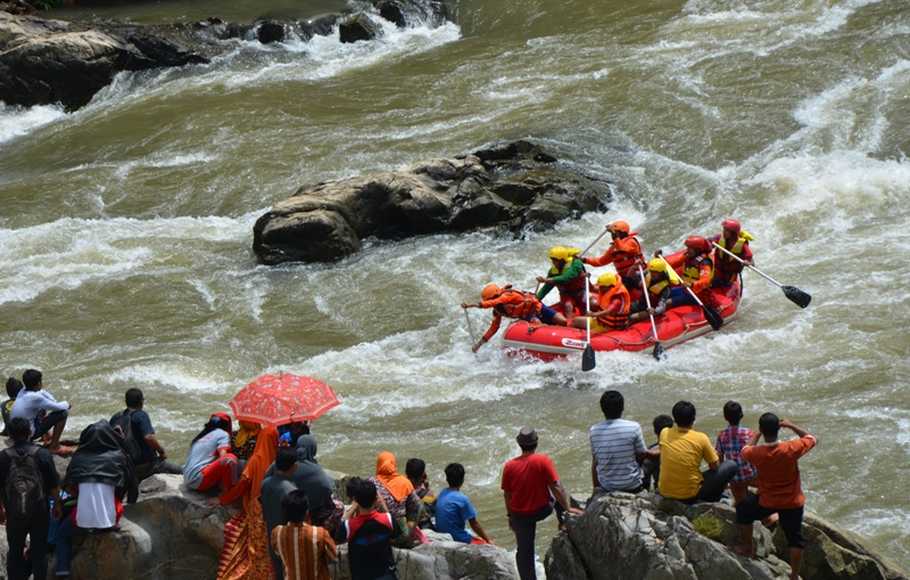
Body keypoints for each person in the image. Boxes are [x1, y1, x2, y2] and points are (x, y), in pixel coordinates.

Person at [736, 415, 817, 580]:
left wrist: (757, 434)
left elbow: (744, 451)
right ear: (779, 429)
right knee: (795, 539)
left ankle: (747, 548)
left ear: (762, 430)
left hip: (767, 501)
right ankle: (794, 575)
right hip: (792, 502)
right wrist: (791, 425)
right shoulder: (791, 448)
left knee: (743, 510)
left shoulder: (756, 453)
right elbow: (811, 438)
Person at [57, 420, 140, 577]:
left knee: (62, 535)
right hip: (110, 519)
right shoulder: (119, 457)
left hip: (80, 520)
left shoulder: (78, 457)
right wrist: (131, 503)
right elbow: (132, 484)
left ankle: (62, 571)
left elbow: (68, 486)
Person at [501, 427, 582, 580]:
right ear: (536, 443)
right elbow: (556, 487)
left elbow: (507, 495)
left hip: (520, 514)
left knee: (524, 552)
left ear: (519, 444)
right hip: (542, 509)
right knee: (556, 489)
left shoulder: (509, 466)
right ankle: (563, 522)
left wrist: (510, 516)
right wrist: (568, 508)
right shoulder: (543, 460)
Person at [0, 417, 61, 580]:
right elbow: (54, 485)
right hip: (39, 511)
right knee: (39, 551)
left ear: (10, 435)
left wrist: (1, 509)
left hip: (14, 512)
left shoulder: (3, 457)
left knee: (15, 551)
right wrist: (57, 506)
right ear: (30, 433)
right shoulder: (43, 454)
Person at [217, 425, 279, 580]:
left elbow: (242, 484)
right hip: (275, 507)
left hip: (256, 507)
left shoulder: (256, 459)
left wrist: (224, 499)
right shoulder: (280, 459)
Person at [658, 401, 738, 503]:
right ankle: (713, 498)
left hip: (664, 491)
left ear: (674, 418)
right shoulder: (701, 438)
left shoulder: (664, 432)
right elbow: (715, 466)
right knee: (731, 465)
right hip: (689, 496)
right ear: (694, 418)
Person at [463, 283, 567, 352]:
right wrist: (479, 344)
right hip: (529, 317)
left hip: (538, 307)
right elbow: (494, 328)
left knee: (563, 321)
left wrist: (473, 305)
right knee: (539, 327)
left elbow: (496, 301)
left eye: (491, 300)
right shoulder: (497, 310)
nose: (493, 304)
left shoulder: (508, 295)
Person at [110, 388, 182, 482]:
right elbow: (149, 437)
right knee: (181, 471)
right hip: (145, 465)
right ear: (141, 401)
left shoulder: (116, 417)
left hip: (124, 466)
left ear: (126, 401)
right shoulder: (140, 415)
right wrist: (161, 451)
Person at [589, 391, 649, 494]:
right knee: (649, 461)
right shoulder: (634, 427)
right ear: (622, 408)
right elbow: (643, 454)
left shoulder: (594, 430)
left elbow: (595, 461)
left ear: (602, 409)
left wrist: (596, 489)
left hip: (607, 487)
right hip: (632, 486)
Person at [342, 478, 399, 580]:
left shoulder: (349, 526)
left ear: (356, 500)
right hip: (386, 575)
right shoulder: (388, 520)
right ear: (376, 498)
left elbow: (339, 533)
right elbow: (395, 534)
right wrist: (383, 505)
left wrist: (353, 509)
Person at [271, 490, 337, 580]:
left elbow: (277, 552)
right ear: (306, 512)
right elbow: (333, 556)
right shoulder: (320, 534)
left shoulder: (277, 533)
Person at [261, 447, 300, 580]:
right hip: (287, 538)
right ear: (294, 466)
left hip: (271, 532)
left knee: (278, 570)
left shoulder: (265, 483)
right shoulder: (291, 491)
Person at [10, 369, 70, 452]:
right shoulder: (35, 398)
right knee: (63, 413)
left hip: (15, 433)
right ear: (38, 383)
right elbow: (59, 407)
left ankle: (46, 437)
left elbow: (42, 392)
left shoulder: (22, 391)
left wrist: (52, 400)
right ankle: (54, 446)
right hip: (28, 434)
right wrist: (67, 404)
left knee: (40, 408)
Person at [370, 451, 421, 546]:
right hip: (400, 534)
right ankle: (408, 537)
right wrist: (411, 527)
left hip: (378, 533)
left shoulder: (371, 483)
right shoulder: (405, 482)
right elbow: (417, 506)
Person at [435, 463, 492, 544]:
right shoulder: (462, 499)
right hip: (457, 538)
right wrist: (488, 540)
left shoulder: (442, 493)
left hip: (441, 534)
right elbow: (474, 524)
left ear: (447, 479)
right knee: (485, 544)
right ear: (462, 480)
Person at [183, 412, 238, 493]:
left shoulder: (201, 435)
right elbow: (224, 457)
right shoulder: (223, 434)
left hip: (187, 478)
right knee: (230, 458)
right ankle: (226, 494)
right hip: (198, 481)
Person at [715, 401, 757, 504]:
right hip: (750, 476)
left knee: (740, 503)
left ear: (725, 417)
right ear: (741, 415)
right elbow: (754, 455)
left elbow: (720, 457)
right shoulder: (749, 433)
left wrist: (723, 480)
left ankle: (741, 501)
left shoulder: (721, 435)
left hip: (733, 478)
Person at [583, 220, 645, 289]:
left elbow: (623, 248)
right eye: (614, 233)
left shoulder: (631, 241)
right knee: (603, 285)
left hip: (638, 273)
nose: (613, 235)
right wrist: (585, 260)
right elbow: (600, 261)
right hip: (623, 277)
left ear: (623, 233)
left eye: (616, 233)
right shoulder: (613, 248)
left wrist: (614, 235)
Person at [536, 246, 589, 318]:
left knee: (590, 305)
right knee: (568, 306)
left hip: (581, 292)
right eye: (552, 260)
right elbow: (547, 288)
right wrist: (536, 299)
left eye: (555, 260)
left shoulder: (576, 264)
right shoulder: (553, 271)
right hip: (566, 295)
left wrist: (546, 280)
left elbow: (566, 278)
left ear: (562, 260)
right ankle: (569, 325)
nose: (553, 262)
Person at [662, 236, 714, 306]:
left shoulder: (704, 263)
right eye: (688, 247)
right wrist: (661, 260)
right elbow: (672, 263)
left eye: (690, 248)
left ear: (697, 250)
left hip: (698, 294)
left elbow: (705, 281)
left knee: (667, 302)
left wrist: (692, 285)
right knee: (664, 293)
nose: (687, 250)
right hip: (685, 290)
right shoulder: (688, 257)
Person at [709, 219, 753, 288]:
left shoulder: (742, 244)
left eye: (727, 230)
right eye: (724, 229)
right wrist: (709, 244)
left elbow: (749, 256)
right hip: (719, 268)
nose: (724, 232)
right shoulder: (720, 237)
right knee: (714, 281)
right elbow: (709, 241)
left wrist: (747, 261)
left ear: (733, 233)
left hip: (731, 272)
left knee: (725, 284)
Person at [642, 414, 674, 491]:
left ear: (655, 431)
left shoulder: (650, 452)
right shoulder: (682, 446)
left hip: (662, 491)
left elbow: (645, 479)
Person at [405, 458, 435, 528]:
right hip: (421, 527)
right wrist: (428, 489)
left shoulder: (401, 486)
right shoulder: (428, 494)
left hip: (407, 523)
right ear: (422, 475)